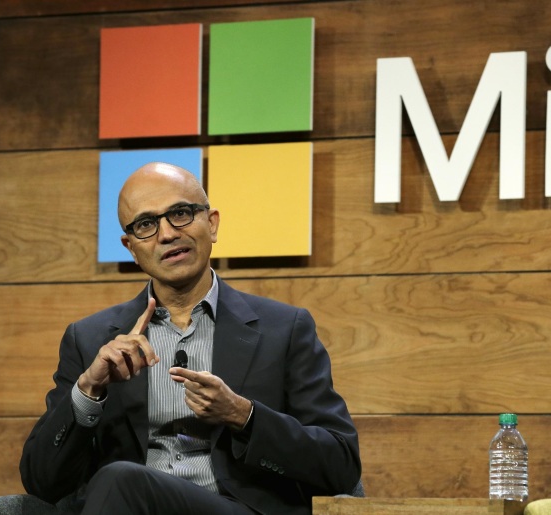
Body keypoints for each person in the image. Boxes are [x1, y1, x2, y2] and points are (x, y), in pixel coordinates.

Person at [19, 162, 361, 514]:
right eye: (146, 225)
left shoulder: (284, 329)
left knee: (120, 478)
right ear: (131, 247)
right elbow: (41, 482)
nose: (166, 234)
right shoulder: (90, 340)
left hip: (235, 509)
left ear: (211, 224)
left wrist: (244, 415)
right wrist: (88, 392)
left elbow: (341, 465)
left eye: (180, 213)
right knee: (120, 479)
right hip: (128, 504)